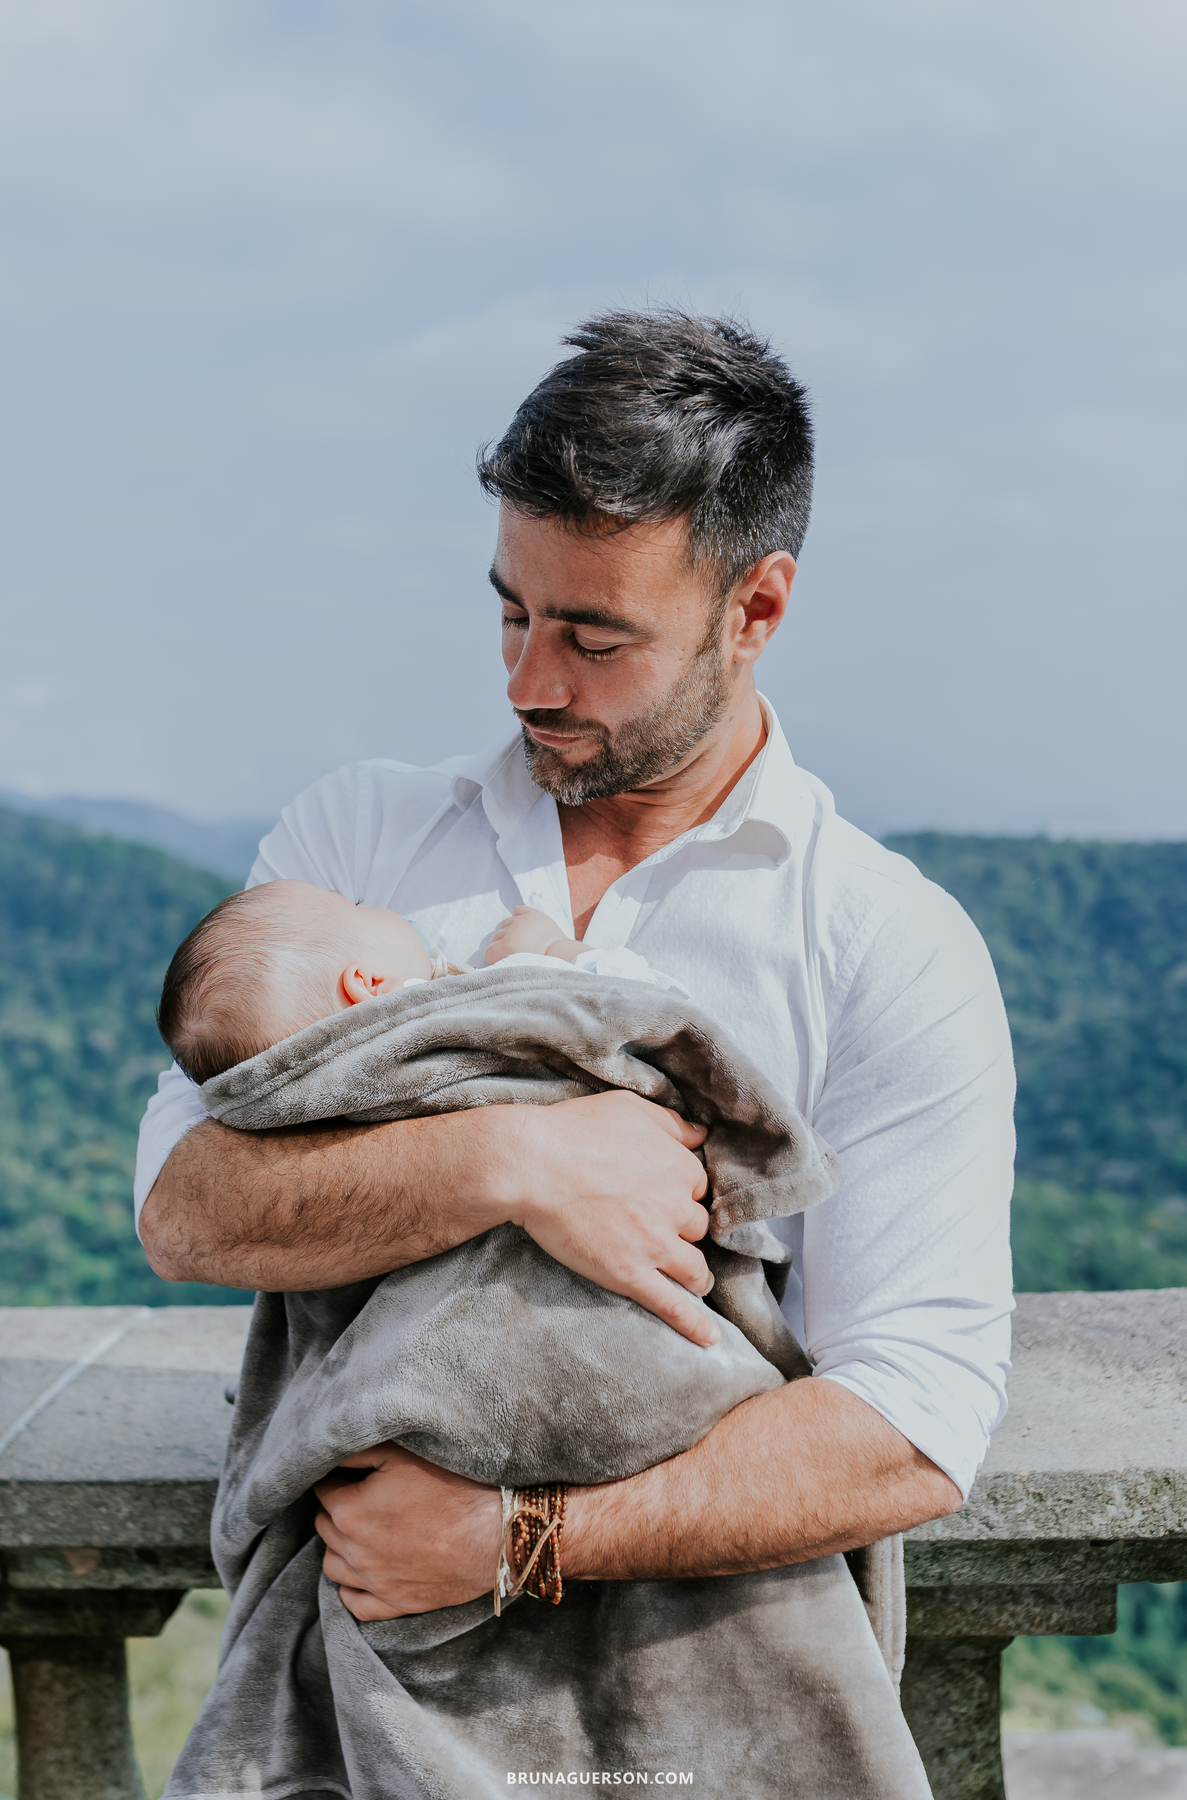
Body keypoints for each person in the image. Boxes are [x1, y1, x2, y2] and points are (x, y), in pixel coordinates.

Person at [137, 308, 1014, 1628]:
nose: (528, 682)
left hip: (700, 1672)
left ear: (755, 608)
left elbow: (916, 1415)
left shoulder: (885, 942)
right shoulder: (354, 848)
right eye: (512, 613)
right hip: (364, 1650)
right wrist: (513, 1161)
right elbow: (184, 1204)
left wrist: (521, 1536)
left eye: (595, 641)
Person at [155, 879, 686, 1095]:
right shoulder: (480, 1006)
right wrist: (552, 950)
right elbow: (655, 1011)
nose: (378, 907)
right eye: (358, 906)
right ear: (366, 983)